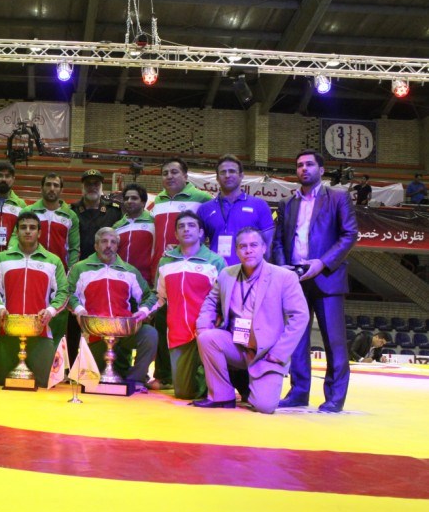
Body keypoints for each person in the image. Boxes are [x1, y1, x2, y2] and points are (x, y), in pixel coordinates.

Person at [272, 149, 358, 412]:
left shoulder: (338, 197)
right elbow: (278, 241)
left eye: (309, 164)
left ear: (321, 170)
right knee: (297, 339)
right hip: (295, 278)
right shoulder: (287, 203)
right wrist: (283, 267)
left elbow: (349, 234)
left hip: (327, 276)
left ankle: (335, 397)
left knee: (334, 340)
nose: (304, 169)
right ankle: (299, 392)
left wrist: (322, 263)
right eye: (299, 165)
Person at [194, 227, 309, 413]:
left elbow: (300, 316)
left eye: (254, 245)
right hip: (236, 345)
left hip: (267, 352)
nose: (248, 250)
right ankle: (222, 396)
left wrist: (279, 352)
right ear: (237, 251)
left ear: (264, 248)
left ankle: (250, 383)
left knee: (264, 406)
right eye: (243, 246)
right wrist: (203, 327)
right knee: (207, 338)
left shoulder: (284, 277)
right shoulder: (227, 274)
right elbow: (210, 302)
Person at [147, 157, 212, 390]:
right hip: (165, 272)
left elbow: (208, 234)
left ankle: (199, 376)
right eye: (165, 173)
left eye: (174, 172)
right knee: (162, 324)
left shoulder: (202, 199)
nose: (169, 176)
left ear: (186, 175)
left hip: (192, 271)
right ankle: (164, 375)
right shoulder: (156, 202)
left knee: (191, 326)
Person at [67, 227, 158, 389]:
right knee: (96, 380)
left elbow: (150, 296)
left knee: (150, 334)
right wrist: (79, 310)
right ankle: (121, 372)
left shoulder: (130, 271)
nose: (108, 246)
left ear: (117, 246)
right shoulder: (80, 269)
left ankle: (135, 381)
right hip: (94, 335)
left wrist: (143, 311)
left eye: (113, 242)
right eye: (104, 241)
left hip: (124, 334)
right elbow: (67, 293)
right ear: (96, 246)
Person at [149, 211, 226, 399]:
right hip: (178, 334)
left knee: (206, 391)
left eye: (191, 225)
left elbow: (224, 299)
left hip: (207, 333)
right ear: (175, 234)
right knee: (184, 393)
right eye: (181, 226)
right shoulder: (166, 261)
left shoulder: (215, 261)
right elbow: (159, 297)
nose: (186, 229)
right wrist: (143, 312)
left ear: (201, 232)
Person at [0, 212, 68, 388]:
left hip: (40, 332)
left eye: (32, 228)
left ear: (39, 232)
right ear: (16, 232)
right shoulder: (1, 259)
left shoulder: (53, 261)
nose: (28, 231)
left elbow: (63, 292)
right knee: (1, 381)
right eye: (23, 227)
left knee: (42, 383)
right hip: (7, 331)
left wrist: (50, 311)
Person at [11, 172, 79, 346]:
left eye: (56, 185)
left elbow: (74, 248)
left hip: (58, 273)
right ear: (41, 188)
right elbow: (14, 238)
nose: (51, 188)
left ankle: (54, 356)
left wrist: (70, 273)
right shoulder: (28, 211)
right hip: (33, 272)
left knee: (57, 315)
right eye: (48, 184)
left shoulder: (70, 216)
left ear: (61, 189)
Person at [67, 169, 122, 363]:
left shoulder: (115, 211)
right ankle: (72, 364)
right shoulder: (72, 211)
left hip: (105, 272)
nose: (92, 187)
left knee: (104, 317)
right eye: (88, 183)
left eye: (96, 184)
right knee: (74, 319)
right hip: (79, 272)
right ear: (82, 187)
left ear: (101, 186)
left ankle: (103, 363)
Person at [199, 154, 274, 266]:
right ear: (217, 178)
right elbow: (196, 246)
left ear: (241, 175)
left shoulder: (259, 205)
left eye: (232, 171)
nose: (227, 175)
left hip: (250, 272)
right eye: (223, 172)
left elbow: (268, 246)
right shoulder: (205, 209)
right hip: (215, 271)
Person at [112, 183, 155, 281]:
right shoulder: (117, 226)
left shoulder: (154, 222)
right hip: (121, 280)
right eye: (126, 198)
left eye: (134, 198)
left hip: (146, 280)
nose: (129, 201)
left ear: (143, 202)